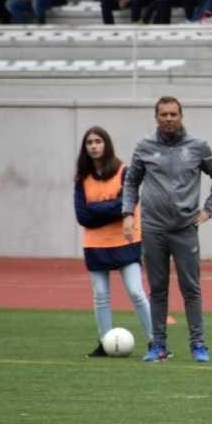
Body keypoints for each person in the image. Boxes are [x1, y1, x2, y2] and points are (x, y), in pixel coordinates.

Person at [122, 97, 212, 362]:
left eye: (173, 114)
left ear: (181, 116)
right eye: (164, 114)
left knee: (190, 289)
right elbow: (131, 181)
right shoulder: (144, 146)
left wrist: (208, 209)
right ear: (156, 117)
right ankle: (157, 345)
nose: (169, 118)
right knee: (157, 289)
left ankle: (198, 346)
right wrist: (127, 213)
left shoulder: (197, 146)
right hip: (153, 229)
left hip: (185, 229)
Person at [74, 127, 154, 358]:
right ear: (85, 148)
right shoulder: (82, 178)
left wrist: (98, 211)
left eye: (98, 141)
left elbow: (127, 203)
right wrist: (114, 210)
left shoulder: (124, 172)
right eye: (89, 142)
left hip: (126, 241)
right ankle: (105, 341)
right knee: (100, 295)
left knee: (136, 292)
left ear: (106, 144)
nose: (94, 146)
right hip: (95, 244)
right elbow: (82, 216)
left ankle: (155, 341)